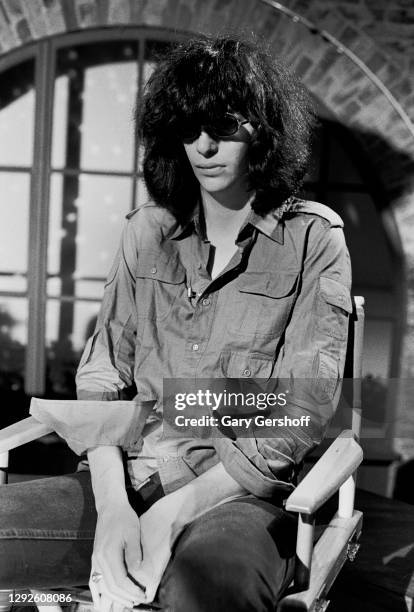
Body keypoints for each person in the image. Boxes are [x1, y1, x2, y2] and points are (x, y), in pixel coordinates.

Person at [0, 34, 352, 612]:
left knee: (203, 589)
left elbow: (302, 409)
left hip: (240, 496)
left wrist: (171, 514)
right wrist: (115, 507)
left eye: (225, 125)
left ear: (263, 130)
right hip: (130, 476)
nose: (205, 146)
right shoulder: (147, 232)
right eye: (189, 130)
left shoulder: (314, 238)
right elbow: (103, 377)